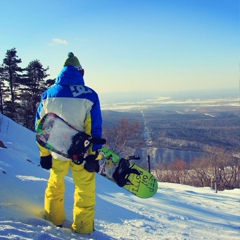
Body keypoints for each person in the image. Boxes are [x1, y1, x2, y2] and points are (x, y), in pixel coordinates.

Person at [35, 52, 103, 234]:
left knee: (55, 185)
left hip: (57, 151)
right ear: (81, 72)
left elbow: (41, 128)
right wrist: (94, 155)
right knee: (84, 191)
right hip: (81, 153)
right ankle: (83, 228)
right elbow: (94, 129)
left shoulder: (47, 95)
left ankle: (53, 220)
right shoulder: (90, 96)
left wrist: (44, 154)